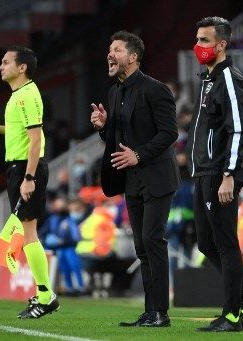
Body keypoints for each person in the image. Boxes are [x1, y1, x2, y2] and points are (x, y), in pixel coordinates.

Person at [90, 30, 179, 327]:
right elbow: (117, 138)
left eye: (116, 49)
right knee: (141, 245)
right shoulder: (115, 92)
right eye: (109, 49)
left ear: (133, 56)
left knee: (153, 239)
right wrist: (104, 127)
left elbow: (170, 133)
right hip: (131, 179)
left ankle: (161, 313)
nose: (110, 54)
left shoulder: (156, 90)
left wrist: (138, 155)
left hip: (157, 177)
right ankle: (150, 310)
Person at [186, 17, 243, 332]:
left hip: (220, 174)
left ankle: (232, 315)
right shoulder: (207, 80)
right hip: (203, 172)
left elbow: (238, 132)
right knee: (207, 244)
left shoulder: (230, 80)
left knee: (225, 243)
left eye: (205, 40)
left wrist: (229, 175)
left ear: (222, 44)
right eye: (197, 39)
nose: (199, 46)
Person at [0, 46, 59, 319]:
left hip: (26, 169)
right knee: (25, 234)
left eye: (5, 62)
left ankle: (46, 296)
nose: (0, 67)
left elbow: (36, 139)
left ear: (22, 67)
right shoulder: (18, 96)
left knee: (29, 233)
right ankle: (44, 293)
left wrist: (29, 178)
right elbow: (22, 131)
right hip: (18, 169)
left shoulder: (27, 94)